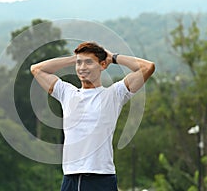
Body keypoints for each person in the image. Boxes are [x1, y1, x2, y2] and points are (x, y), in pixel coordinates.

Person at [30, 41, 155, 191]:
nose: (82, 68)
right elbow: (36, 69)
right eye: (79, 64)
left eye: (89, 62)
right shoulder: (67, 93)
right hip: (70, 177)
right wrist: (74, 58)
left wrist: (113, 57)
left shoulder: (114, 94)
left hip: (101, 178)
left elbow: (147, 67)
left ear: (102, 65)